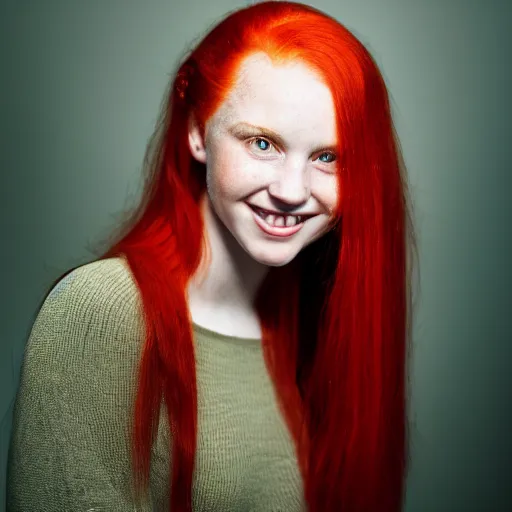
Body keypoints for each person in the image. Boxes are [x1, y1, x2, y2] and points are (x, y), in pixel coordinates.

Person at [6, 1, 418, 511]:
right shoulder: (101, 311)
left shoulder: (311, 321)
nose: (292, 191)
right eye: (262, 143)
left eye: (327, 157)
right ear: (198, 132)